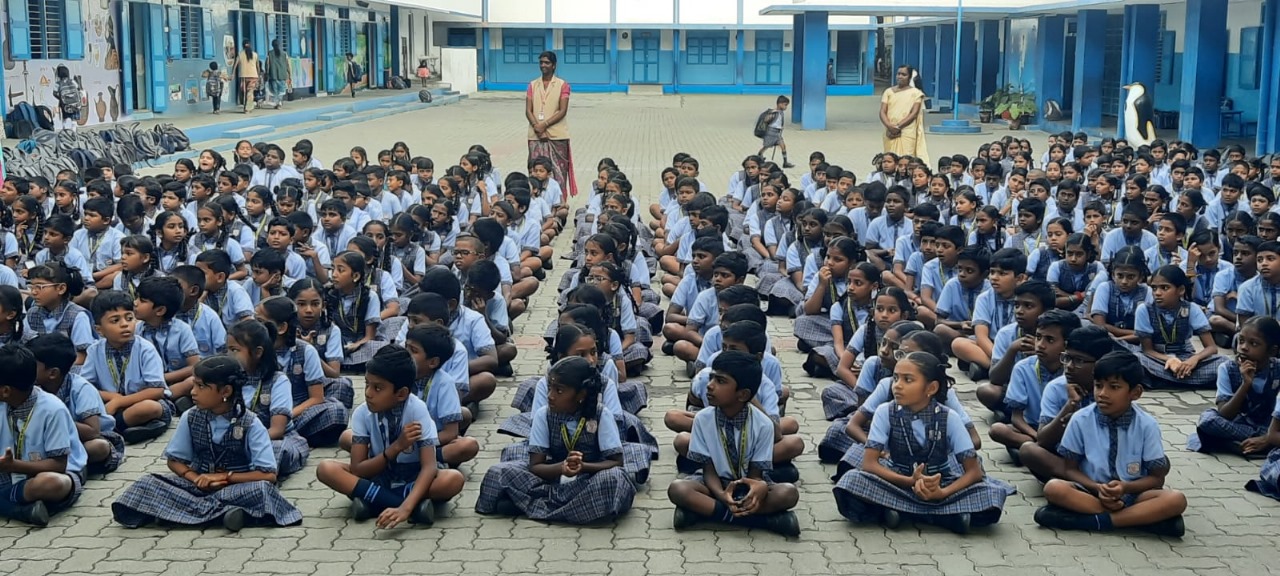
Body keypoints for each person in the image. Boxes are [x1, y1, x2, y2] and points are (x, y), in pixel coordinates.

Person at [111, 355, 302, 530]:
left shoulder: (250, 423)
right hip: (197, 486)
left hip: (234, 487)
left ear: (225, 391)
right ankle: (228, 514)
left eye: (201, 386)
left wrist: (225, 477)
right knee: (148, 483)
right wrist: (195, 478)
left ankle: (174, 513)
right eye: (194, 385)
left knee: (262, 491)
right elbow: (174, 461)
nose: (193, 392)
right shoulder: (190, 416)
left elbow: (268, 475)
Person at [833, 350, 1011, 534]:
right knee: (850, 481)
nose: (897, 386)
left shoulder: (949, 417)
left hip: (941, 482)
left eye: (908, 380)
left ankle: (899, 511)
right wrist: (909, 481)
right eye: (896, 378)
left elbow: (974, 472)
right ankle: (946, 516)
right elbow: (869, 464)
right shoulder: (884, 411)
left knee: (992, 493)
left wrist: (942, 492)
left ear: (931, 388)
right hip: (896, 482)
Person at [1033, 350, 1188, 537]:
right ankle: (1139, 519)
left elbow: (1157, 479)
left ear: (1136, 393)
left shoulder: (1147, 425)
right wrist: (1098, 488)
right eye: (1098, 386)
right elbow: (1070, 469)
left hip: (1133, 493)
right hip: (1091, 491)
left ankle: (1096, 521)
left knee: (1176, 499)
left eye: (1114, 387)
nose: (1103, 394)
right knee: (1054, 488)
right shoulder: (1080, 419)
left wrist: (1125, 488)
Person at [316, 346, 464, 527]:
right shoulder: (362, 413)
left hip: (413, 476)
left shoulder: (417, 410)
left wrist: (404, 508)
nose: (368, 393)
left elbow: (429, 467)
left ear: (401, 394)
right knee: (326, 468)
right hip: (379, 475)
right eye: (367, 384)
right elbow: (358, 470)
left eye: (378, 388)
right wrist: (396, 447)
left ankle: (372, 501)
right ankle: (413, 508)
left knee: (452, 480)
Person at [667, 351, 800, 535]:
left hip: (748, 485)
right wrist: (721, 495)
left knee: (788, 493)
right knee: (678, 489)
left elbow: (755, 475)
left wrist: (758, 487)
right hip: (713, 485)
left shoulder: (763, 424)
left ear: (743, 394)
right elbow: (708, 470)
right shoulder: (702, 419)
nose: (710, 385)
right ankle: (764, 521)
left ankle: (705, 513)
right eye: (712, 378)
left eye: (720, 381)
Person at [0, 343, 87, 526]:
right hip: (8, 476)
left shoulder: (52, 409)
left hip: (46, 474)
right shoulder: (4, 404)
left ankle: (13, 507)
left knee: (52, 483)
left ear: (5, 391)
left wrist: (14, 465)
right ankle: (21, 509)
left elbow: (59, 465)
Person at [525, 51, 576, 204]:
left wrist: (544, 125)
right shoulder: (532, 85)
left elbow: (562, 110)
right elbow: (528, 110)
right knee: (536, 171)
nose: (543, 65)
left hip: (557, 136)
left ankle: (559, 205)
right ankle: (536, 203)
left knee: (559, 172)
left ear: (554, 65)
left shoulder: (562, 85)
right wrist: (537, 127)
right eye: (541, 62)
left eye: (547, 63)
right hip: (535, 135)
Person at [880, 65, 930, 165]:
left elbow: (914, 113)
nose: (900, 76)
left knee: (906, 159)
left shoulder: (916, 93)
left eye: (904, 74)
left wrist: (898, 127)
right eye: (898, 74)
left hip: (907, 131)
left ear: (909, 77)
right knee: (890, 158)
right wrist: (890, 126)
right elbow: (882, 111)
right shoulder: (888, 92)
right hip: (889, 131)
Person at [757, 96, 794, 168]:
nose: (786, 107)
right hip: (771, 132)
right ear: (780, 104)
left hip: (778, 132)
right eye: (785, 105)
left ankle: (785, 162)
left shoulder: (781, 112)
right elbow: (766, 120)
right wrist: (770, 115)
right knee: (766, 146)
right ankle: (759, 155)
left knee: (783, 146)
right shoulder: (773, 112)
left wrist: (780, 127)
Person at [234, 43, 261, 114]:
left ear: (242, 46)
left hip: (243, 76)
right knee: (250, 92)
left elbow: (235, 65)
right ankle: (248, 108)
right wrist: (258, 74)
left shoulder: (240, 54)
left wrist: (233, 74)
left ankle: (246, 106)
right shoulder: (255, 54)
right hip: (253, 75)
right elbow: (257, 66)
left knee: (244, 92)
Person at [265, 40, 292, 110]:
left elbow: (267, 64)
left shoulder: (270, 53)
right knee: (281, 90)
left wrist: (267, 73)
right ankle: (279, 103)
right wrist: (289, 74)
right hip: (282, 75)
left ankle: (276, 103)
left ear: (272, 45)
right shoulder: (284, 54)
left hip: (273, 75)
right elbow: (288, 65)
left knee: (275, 91)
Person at [53, 65, 80, 131]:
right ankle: (74, 130)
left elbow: (54, 93)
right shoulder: (72, 81)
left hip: (65, 105)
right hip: (75, 104)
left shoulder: (58, 83)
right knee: (74, 119)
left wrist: (61, 98)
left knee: (65, 117)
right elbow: (78, 88)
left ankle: (65, 130)